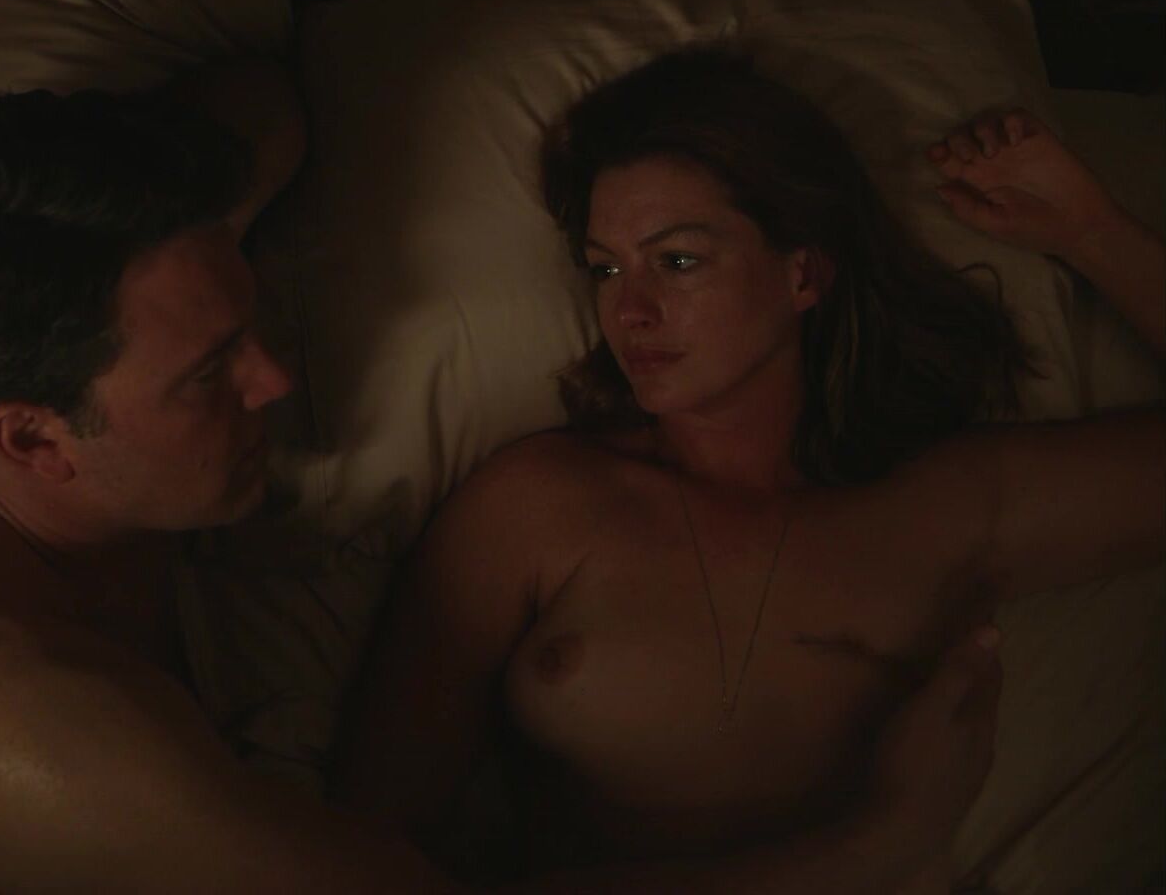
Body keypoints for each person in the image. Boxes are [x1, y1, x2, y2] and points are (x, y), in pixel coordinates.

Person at [0, 57, 1009, 894]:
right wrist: (878, 842)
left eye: (247, 320)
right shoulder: (34, 731)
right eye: (210, 374)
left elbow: (260, 108)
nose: (275, 380)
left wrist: (171, 171)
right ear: (34, 441)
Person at [335, 46, 1164, 893]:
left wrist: (1091, 232)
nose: (630, 310)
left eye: (678, 261)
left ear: (802, 274)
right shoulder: (536, 506)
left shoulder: (945, 504)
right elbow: (357, 854)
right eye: (606, 268)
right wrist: (887, 840)